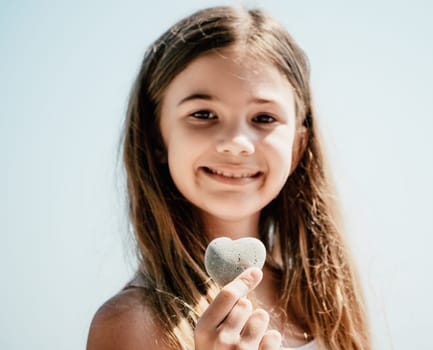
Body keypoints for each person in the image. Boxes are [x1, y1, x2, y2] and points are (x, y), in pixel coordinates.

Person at [87, 5, 370, 350]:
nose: (237, 143)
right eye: (203, 113)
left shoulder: (327, 304)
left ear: (298, 145)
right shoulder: (132, 324)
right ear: (156, 138)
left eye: (264, 118)